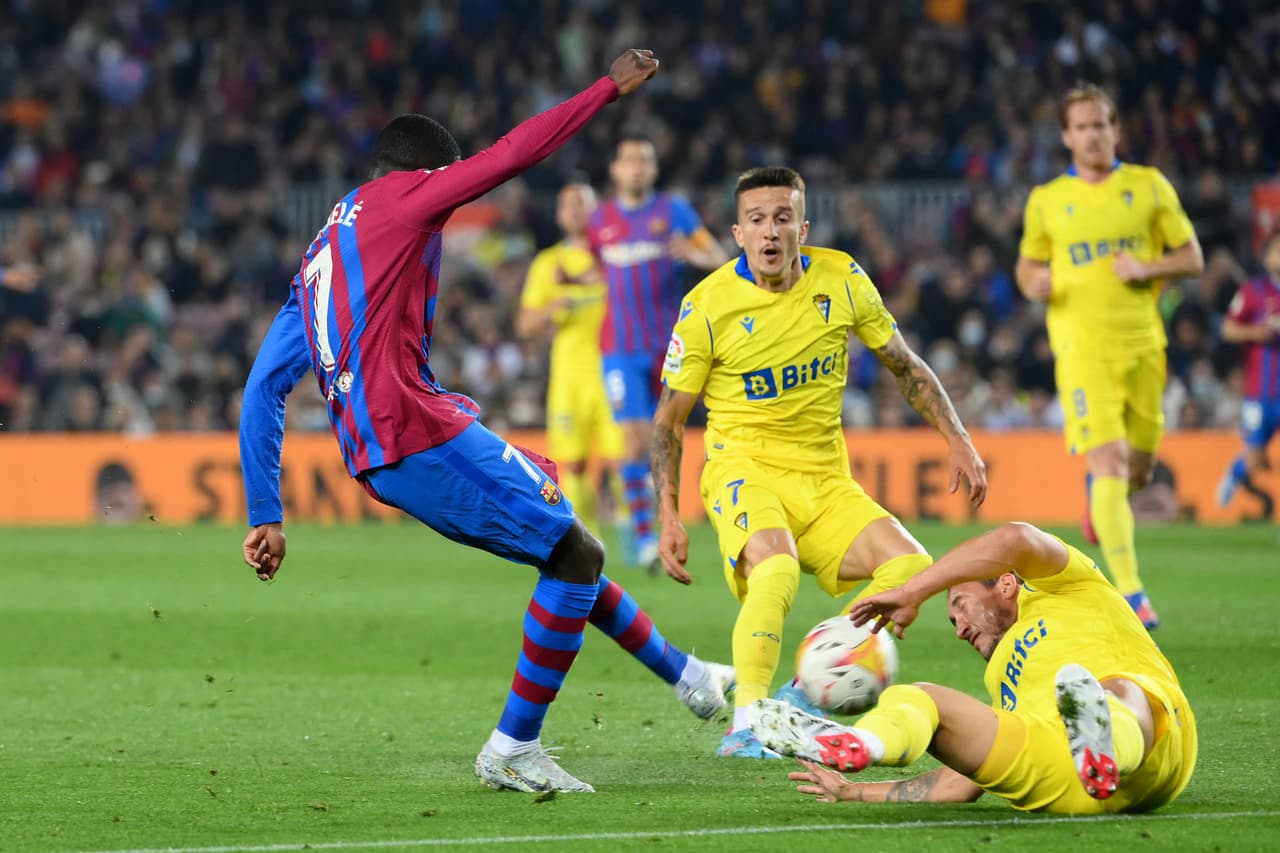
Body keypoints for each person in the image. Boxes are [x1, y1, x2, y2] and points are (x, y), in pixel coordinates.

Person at [237, 50, 735, 795]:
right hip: (413, 434)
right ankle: (512, 745)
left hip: (399, 439)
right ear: (425, 172)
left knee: (563, 538)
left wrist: (265, 513)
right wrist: (605, 90)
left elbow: (260, 389)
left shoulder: (321, 256)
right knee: (574, 555)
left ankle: (688, 675)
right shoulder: (408, 200)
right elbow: (512, 154)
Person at [652, 166, 987, 758]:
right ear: (737, 232)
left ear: (802, 227)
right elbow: (669, 421)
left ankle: (806, 693)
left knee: (912, 568)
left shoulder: (843, 279)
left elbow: (905, 366)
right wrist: (668, 513)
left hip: (824, 479)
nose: (770, 232)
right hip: (742, 469)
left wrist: (957, 437)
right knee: (775, 570)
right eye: (757, 220)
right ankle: (749, 722)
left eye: (783, 218)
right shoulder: (706, 307)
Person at [751, 522, 1197, 815]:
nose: (959, 627)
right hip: (1061, 777)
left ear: (1006, 582)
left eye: (960, 605)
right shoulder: (1000, 681)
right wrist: (854, 792)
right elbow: (959, 783)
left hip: (1157, 746)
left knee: (1118, 690)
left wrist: (914, 590)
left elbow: (1015, 540)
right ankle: (860, 742)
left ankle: (1105, 741)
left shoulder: (1069, 587)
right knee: (918, 696)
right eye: (952, 620)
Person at [1015, 82, 1204, 629]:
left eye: (1101, 124)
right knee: (1112, 462)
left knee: (1139, 469)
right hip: (1081, 350)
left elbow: (1191, 256)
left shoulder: (1147, 187)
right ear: (1066, 136)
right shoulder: (1047, 199)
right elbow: (1026, 267)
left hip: (1144, 344)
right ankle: (1132, 594)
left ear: (1115, 129)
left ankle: (1101, 502)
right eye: (1082, 127)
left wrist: (1147, 269)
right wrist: (1035, 283)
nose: (1093, 135)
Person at [588, 134, 728, 567]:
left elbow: (719, 258)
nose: (636, 167)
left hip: (669, 346)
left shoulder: (675, 212)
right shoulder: (600, 221)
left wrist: (692, 253)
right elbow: (597, 270)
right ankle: (645, 536)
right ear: (615, 169)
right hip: (620, 349)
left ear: (653, 169)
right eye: (629, 160)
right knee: (633, 440)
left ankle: (660, 521)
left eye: (644, 160)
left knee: (663, 435)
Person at [516, 182, 626, 537]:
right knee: (574, 463)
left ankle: (638, 535)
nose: (575, 210)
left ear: (597, 210)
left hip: (616, 370)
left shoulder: (616, 254)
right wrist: (552, 308)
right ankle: (587, 536)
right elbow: (524, 325)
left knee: (623, 460)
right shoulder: (548, 263)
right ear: (560, 215)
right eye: (567, 205)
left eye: (582, 203)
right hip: (570, 377)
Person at [1216, 229, 1280, 513]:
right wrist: (1258, 332)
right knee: (1254, 457)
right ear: (1266, 256)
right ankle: (1235, 473)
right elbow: (1227, 329)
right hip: (1261, 390)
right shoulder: (1253, 291)